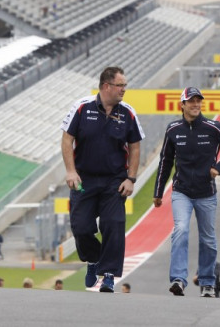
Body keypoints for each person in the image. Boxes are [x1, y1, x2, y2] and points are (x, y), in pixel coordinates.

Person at [154, 87, 220, 298]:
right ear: (182, 105)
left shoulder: (213, 127)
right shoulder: (173, 129)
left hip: (206, 193)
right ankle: (178, 279)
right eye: (191, 101)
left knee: (208, 239)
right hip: (181, 192)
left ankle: (207, 282)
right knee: (181, 230)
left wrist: (219, 167)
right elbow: (165, 162)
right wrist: (158, 192)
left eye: (198, 101)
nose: (195, 104)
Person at [61, 66, 145, 293]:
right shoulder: (81, 107)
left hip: (114, 180)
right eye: (121, 85)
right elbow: (67, 139)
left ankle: (108, 276)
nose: (124, 90)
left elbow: (135, 147)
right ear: (106, 86)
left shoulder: (127, 112)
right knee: (81, 228)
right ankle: (93, 259)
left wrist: (131, 178)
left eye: (125, 85)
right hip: (83, 179)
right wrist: (70, 171)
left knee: (113, 225)